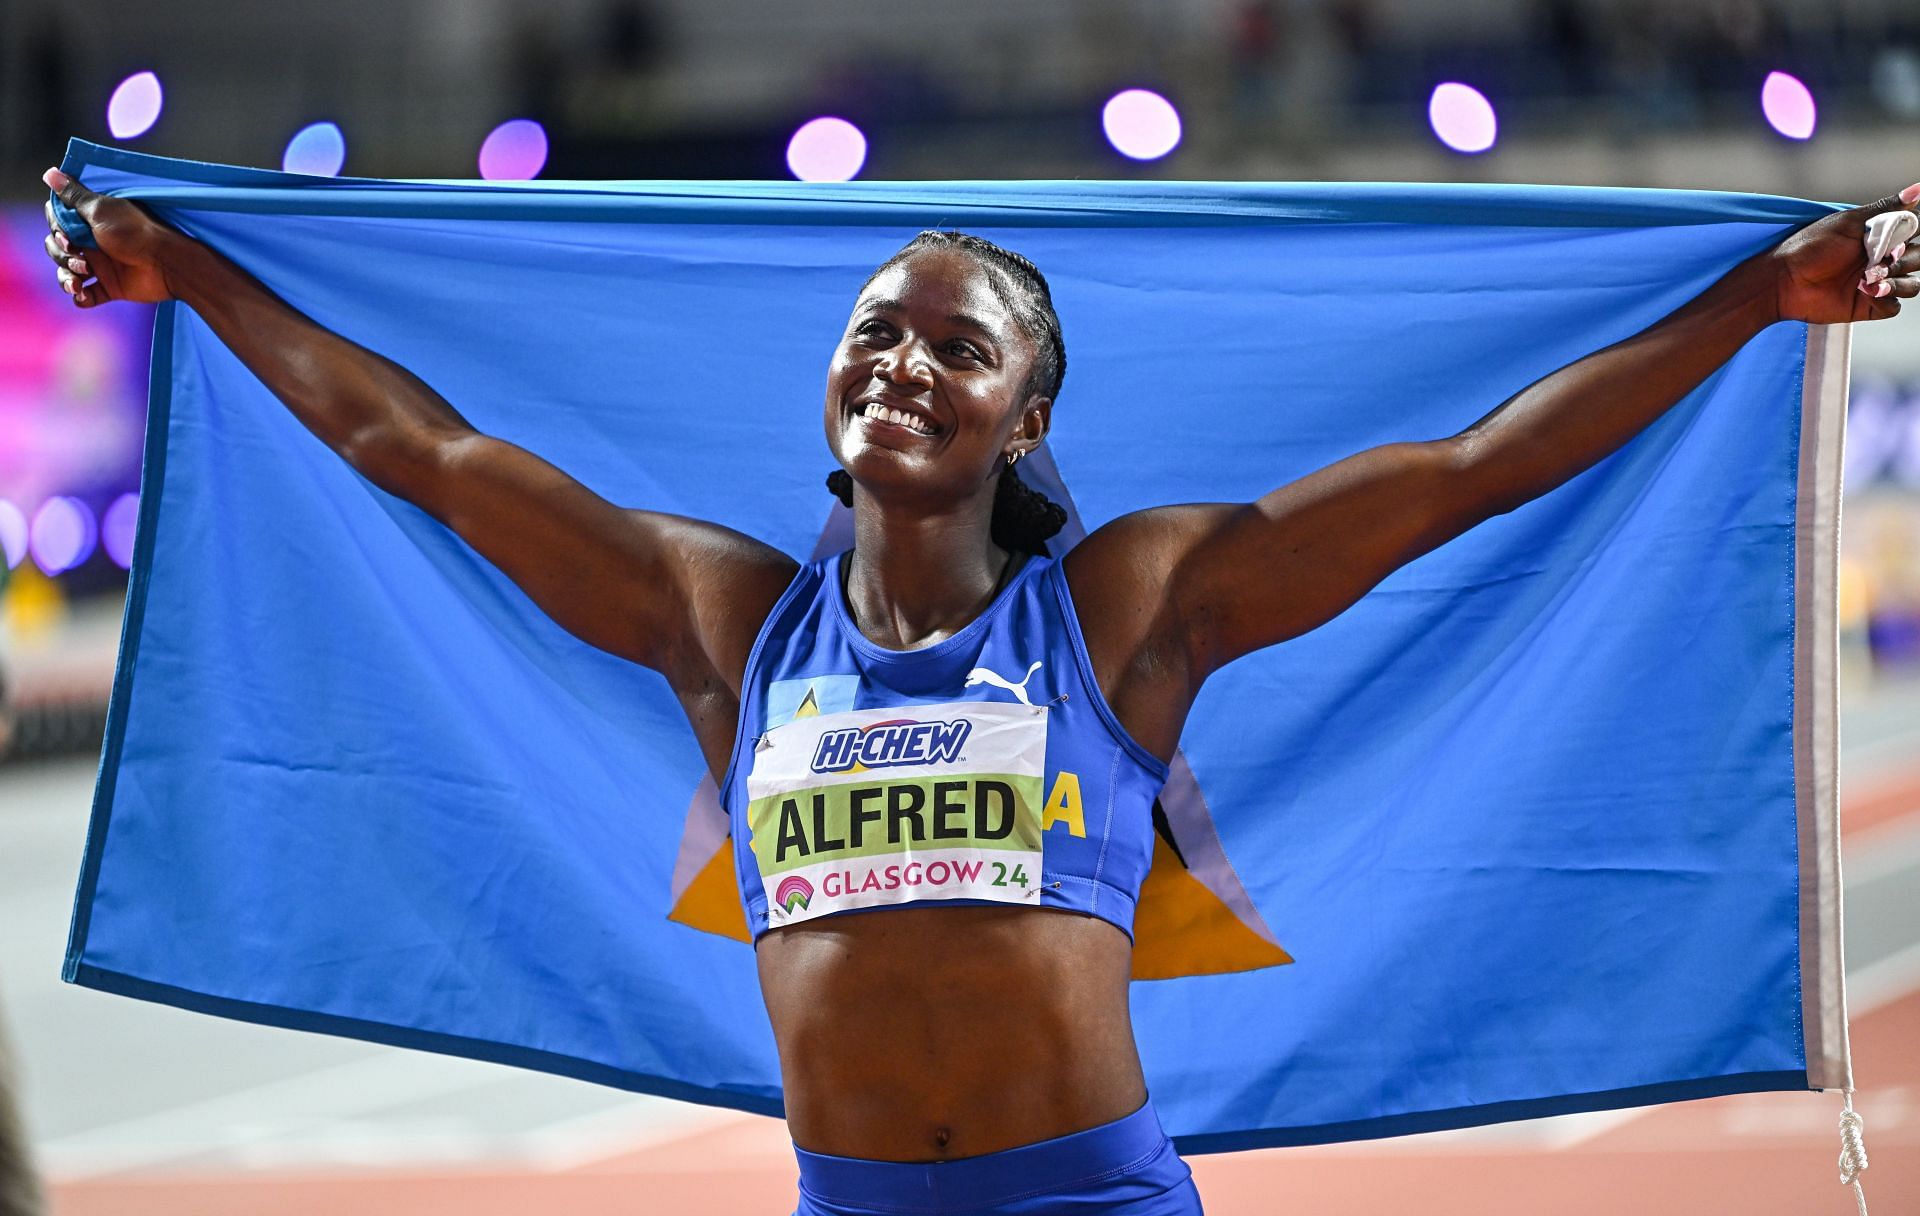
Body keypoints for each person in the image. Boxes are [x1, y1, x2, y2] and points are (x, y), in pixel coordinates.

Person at [38, 166, 1918, 1215]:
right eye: (876, 333)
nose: (906, 363)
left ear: (1028, 414)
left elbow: (1474, 470)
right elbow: (421, 452)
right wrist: (190, 269)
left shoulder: (1125, 611)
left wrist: (1755, 305)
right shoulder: (727, 622)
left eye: (963, 345)